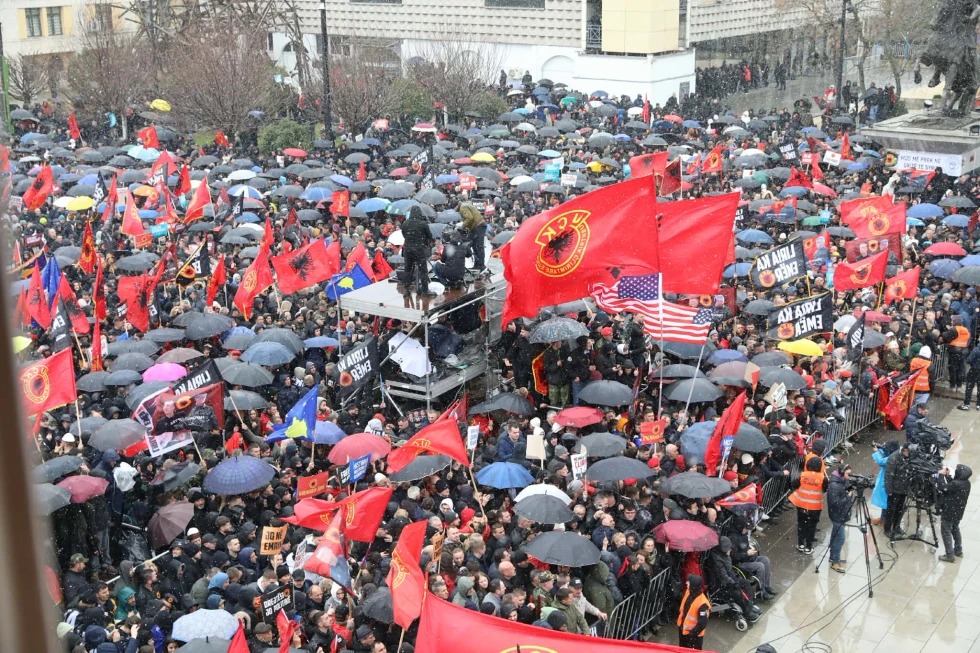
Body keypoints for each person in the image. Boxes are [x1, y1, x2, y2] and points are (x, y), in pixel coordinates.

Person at [790, 456, 828, 554]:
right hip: (815, 507)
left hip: (802, 505)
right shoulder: (822, 478)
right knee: (812, 526)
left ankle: (801, 544)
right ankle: (808, 547)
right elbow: (825, 489)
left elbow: (794, 484)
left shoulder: (802, 475)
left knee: (801, 524)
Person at [936, 464, 972, 562]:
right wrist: (947, 475)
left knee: (946, 531)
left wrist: (941, 475)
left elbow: (943, 487)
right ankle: (958, 550)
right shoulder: (966, 483)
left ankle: (949, 555)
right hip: (958, 512)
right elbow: (951, 487)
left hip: (949, 511)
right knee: (955, 529)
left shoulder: (956, 484)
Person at [827, 463, 855, 573]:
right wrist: (848, 497)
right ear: (843, 473)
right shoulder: (834, 486)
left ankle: (834, 557)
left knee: (835, 536)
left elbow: (849, 488)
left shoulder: (844, 481)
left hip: (842, 514)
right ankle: (835, 561)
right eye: (848, 473)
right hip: (837, 515)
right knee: (840, 538)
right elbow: (835, 503)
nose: (850, 475)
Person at [401, 206, 435, 297]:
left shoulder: (405, 223)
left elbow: (404, 234)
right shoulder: (423, 224)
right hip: (419, 249)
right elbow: (429, 236)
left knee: (407, 270)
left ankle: (406, 289)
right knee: (423, 270)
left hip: (408, 249)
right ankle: (425, 290)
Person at [884, 443, 912, 540]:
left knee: (900, 510)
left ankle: (896, 526)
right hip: (895, 490)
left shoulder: (908, 457)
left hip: (903, 489)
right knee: (891, 510)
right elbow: (888, 475)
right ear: (904, 450)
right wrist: (889, 490)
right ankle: (887, 529)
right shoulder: (893, 458)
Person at [676, 574, 710, 650]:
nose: (686, 583)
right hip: (684, 631)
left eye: (688, 582)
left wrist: (692, 634)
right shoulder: (689, 592)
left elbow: (702, 623)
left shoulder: (703, 604)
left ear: (693, 585)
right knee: (683, 649)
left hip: (694, 636)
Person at [871, 440, 899, 524]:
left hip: (888, 480)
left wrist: (877, 452)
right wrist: (880, 448)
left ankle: (884, 519)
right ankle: (885, 518)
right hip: (891, 480)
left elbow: (881, 461)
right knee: (887, 501)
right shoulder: (897, 452)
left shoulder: (892, 458)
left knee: (885, 501)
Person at [960, 339, 980, 409]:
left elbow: (969, 360)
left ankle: (966, 404)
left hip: (974, 370)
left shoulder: (976, 350)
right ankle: (978, 404)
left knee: (969, 387)